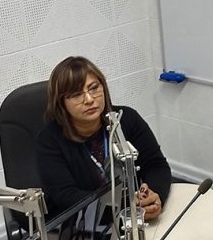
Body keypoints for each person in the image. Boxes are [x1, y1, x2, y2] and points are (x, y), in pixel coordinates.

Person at [37, 56, 171, 220]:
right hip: (85, 230)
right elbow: (66, 197)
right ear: (61, 103)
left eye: (94, 88)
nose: (89, 99)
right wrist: (126, 206)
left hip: (137, 219)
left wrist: (154, 196)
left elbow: (156, 165)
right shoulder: (50, 140)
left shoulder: (126, 118)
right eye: (77, 94)